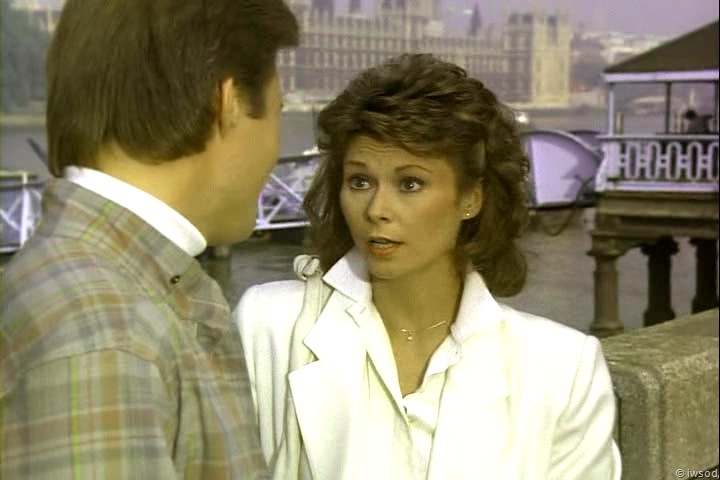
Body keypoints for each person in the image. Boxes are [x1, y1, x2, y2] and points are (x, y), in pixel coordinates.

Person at [235, 54, 621, 480]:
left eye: (410, 183)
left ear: (471, 198)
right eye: (360, 181)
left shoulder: (563, 370)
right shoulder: (269, 326)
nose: (377, 209)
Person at [1, 0, 298, 478]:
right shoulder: (107, 335)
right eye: (277, 113)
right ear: (227, 104)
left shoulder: (100, 292)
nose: (276, 148)